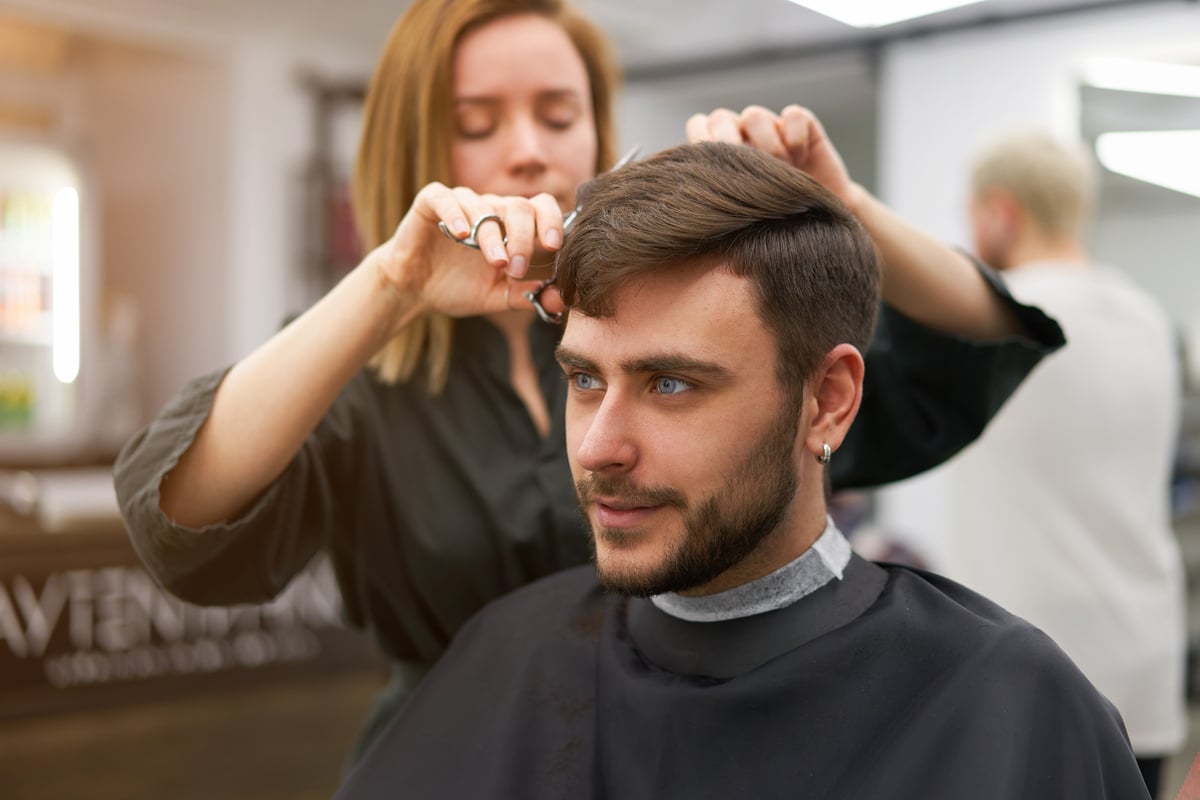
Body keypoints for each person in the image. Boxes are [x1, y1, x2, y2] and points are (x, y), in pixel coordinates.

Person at [111, 0, 1062, 764]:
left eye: (558, 116)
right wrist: (390, 287)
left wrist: (839, 206)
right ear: (414, 147)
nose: (528, 148)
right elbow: (181, 518)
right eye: (478, 123)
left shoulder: (698, 336)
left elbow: (967, 348)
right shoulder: (366, 372)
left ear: (825, 403)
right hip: (464, 763)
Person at [331, 141, 1148, 799]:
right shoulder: (501, 665)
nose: (597, 447)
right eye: (585, 380)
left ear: (827, 400)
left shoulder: (1000, 706)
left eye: (671, 384)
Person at [904, 130, 1184, 798]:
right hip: (1144, 659)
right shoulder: (1148, 318)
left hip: (1031, 668)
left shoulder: (1003, 317)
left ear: (1001, 213)